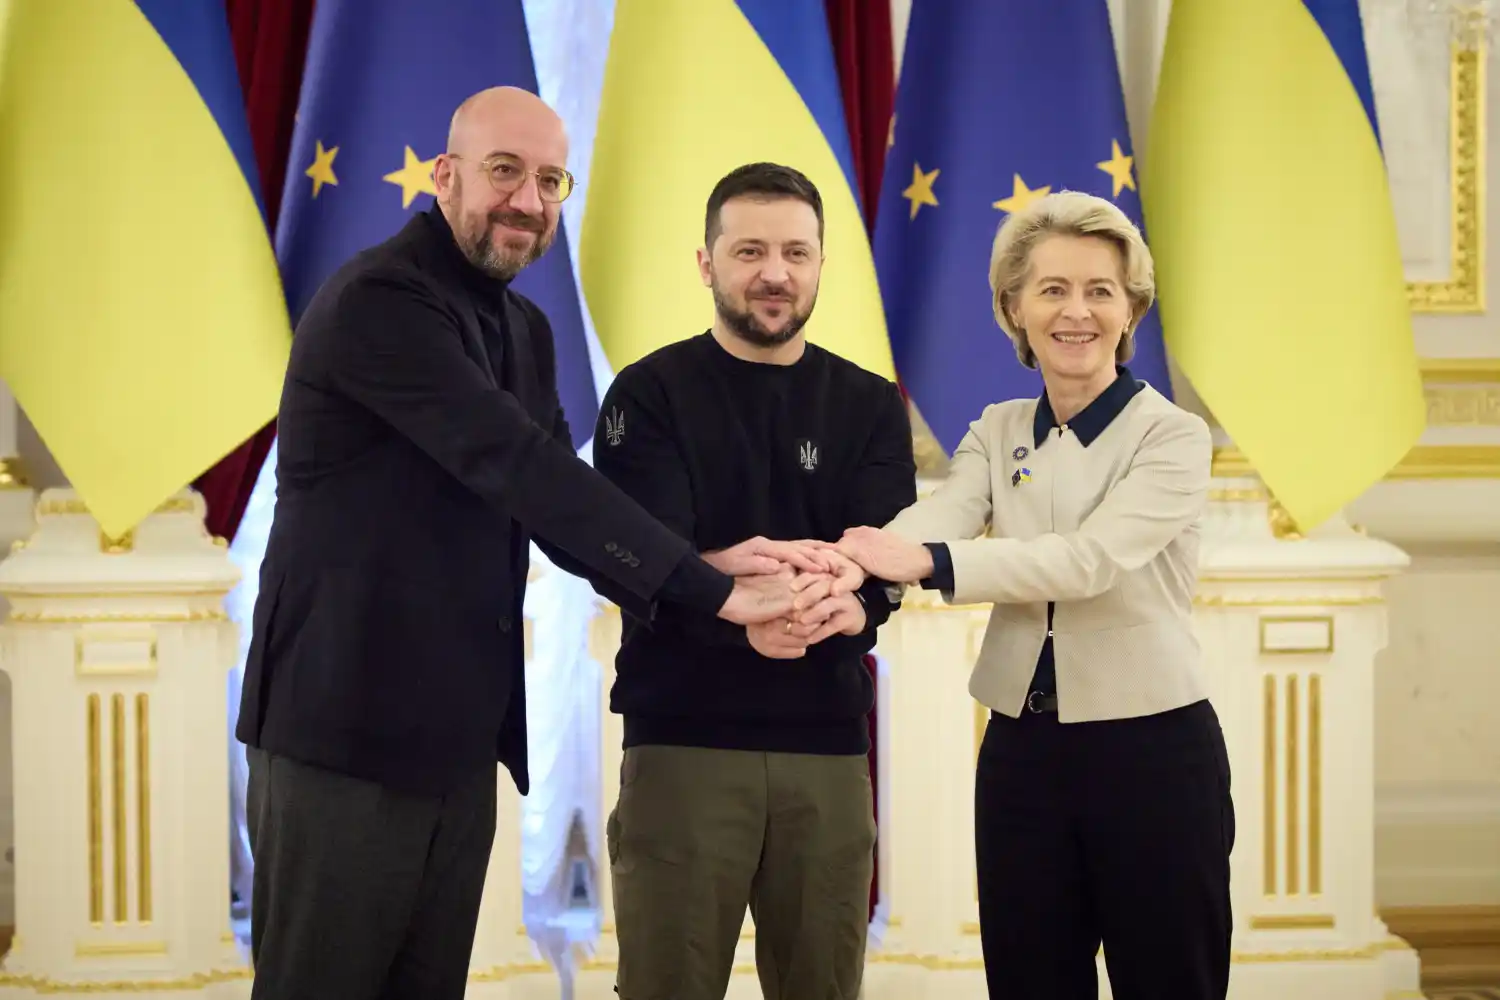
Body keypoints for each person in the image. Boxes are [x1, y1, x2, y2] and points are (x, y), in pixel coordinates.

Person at [233, 87, 801, 1000]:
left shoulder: (525, 327)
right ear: (446, 175)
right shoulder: (380, 301)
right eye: (505, 172)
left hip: (456, 749)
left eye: (550, 181)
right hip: (339, 740)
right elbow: (517, 467)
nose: (529, 202)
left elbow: (570, 501)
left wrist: (706, 562)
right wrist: (713, 594)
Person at [833, 190, 1233, 1000]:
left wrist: (921, 559)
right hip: (1022, 755)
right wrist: (855, 563)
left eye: (1099, 291)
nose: (1075, 312)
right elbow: (940, 514)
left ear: (1132, 311)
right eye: (1051, 289)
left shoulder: (1174, 438)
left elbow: (1085, 562)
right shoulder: (999, 426)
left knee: (1169, 981)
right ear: (1014, 308)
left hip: (1154, 754)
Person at [592, 161, 917, 1000]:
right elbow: (637, 557)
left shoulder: (872, 403)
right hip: (682, 744)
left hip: (829, 747)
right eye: (749, 251)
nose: (775, 273)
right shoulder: (647, 394)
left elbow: (880, 559)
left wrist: (831, 601)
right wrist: (741, 605)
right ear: (707, 264)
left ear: (820, 263)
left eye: (796, 253)